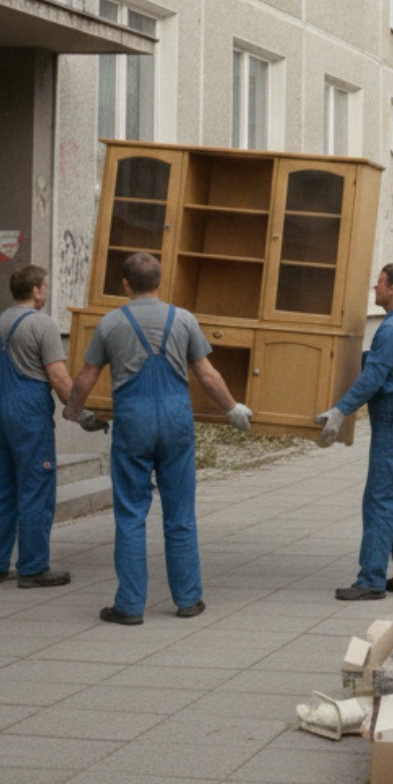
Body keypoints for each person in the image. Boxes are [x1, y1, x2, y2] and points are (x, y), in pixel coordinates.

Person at [64, 252, 253, 624]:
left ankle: (130, 605)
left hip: (132, 421)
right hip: (175, 421)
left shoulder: (110, 324)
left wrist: (74, 411)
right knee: (180, 512)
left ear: (125, 284)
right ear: (159, 282)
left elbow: (85, 378)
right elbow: (207, 374)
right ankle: (188, 599)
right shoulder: (182, 319)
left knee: (131, 514)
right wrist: (232, 409)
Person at [0, 265, 105, 589]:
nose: (46, 291)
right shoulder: (42, 324)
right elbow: (59, 379)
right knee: (36, 487)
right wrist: (82, 415)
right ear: (36, 290)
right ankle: (33, 568)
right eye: (45, 286)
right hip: (28, 412)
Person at [316, 262, 393, 601]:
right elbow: (378, 362)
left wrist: (340, 410)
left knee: (380, 499)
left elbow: (374, 377)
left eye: (379, 282)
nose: (374, 288)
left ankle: (371, 579)